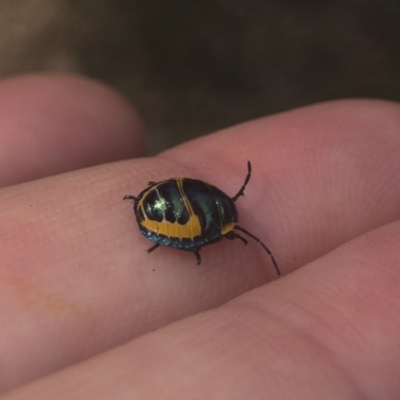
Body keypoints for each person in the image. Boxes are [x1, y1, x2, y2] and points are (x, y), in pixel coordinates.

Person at [1, 74, 400, 399]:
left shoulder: (219, 210)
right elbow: (199, 226)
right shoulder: (220, 226)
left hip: (162, 198)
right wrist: (201, 240)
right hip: (166, 206)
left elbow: (188, 191)